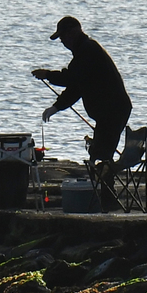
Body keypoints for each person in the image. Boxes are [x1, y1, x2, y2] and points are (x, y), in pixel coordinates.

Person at [32, 16, 131, 202]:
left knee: (100, 155)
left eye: (64, 36)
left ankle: (106, 200)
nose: (63, 41)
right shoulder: (83, 53)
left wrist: (47, 75)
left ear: (74, 32)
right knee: (99, 154)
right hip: (109, 112)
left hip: (113, 111)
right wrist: (56, 107)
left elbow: (70, 78)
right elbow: (76, 87)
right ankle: (105, 198)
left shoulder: (87, 50)